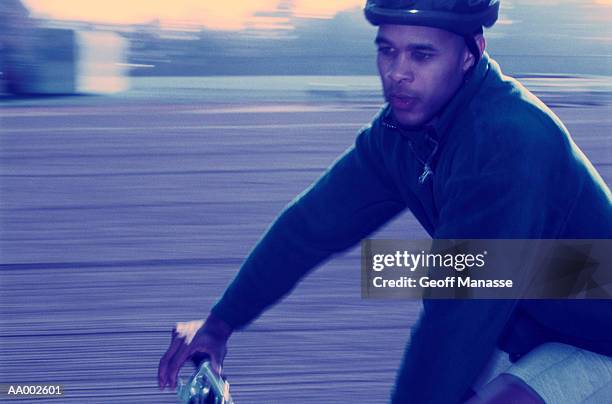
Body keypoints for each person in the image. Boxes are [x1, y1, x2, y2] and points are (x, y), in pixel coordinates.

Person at [159, 1, 612, 402]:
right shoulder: (401, 134)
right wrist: (219, 325)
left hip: (598, 337)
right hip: (536, 319)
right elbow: (310, 227)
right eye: (387, 50)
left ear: (470, 54)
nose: (398, 72)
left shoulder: (507, 142)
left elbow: (456, 312)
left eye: (422, 54)